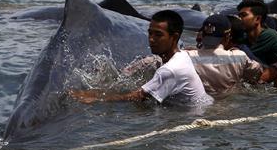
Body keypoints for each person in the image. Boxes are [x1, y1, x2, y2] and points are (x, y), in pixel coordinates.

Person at [70, 10, 212, 105]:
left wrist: (94, 97)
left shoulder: (170, 70)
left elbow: (137, 97)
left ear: (174, 37)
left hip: (195, 115)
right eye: (150, 33)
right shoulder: (181, 55)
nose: (151, 39)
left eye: (158, 35)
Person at [186, 15, 263, 96]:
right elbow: (257, 71)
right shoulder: (239, 56)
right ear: (227, 36)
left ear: (202, 35)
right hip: (230, 106)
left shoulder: (187, 57)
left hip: (200, 105)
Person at [237, 0, 277, 65]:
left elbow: (244, 57)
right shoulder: (245, 37)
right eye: (239, 16)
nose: (239, 19)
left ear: (257, 19)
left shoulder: (270, 35)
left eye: (244, 15)